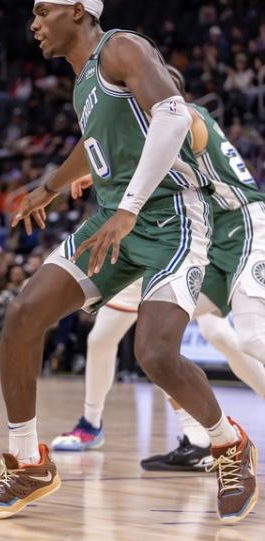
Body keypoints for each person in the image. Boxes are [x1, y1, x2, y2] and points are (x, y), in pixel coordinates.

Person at [0, 1, 257, 524]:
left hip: (174, 219)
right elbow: (94, 144)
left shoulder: (121, 46)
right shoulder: (83, 82)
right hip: (111, 220)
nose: (32, 23)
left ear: (78, 11)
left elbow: (172, 115)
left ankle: (227, 442)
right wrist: (49, 187)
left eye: (43, 11)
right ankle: (29, 461)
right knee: (22, 314)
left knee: (154, 353)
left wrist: (128, 210)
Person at [52, 68, 265, 470]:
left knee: (246, 336)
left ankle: (196, 435)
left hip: (241, 223)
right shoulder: (168, 123)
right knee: (156, 339)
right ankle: (192, 437)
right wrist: (88, 170)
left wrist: (89, 170)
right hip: (207, 232)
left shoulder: (183, 116)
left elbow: (147, 162)